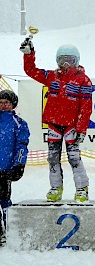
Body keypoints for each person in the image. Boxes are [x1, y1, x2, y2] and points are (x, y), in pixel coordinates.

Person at [20, 39, 92, 202]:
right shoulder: (51, 76)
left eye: (70, 60)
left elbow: (86, 107)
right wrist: (28, 54)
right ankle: (55, 187)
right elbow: (30, 70)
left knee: (74, 157)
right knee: (53, 157)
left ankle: (82, 189)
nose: (65, 64)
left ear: (77, 61)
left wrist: (81, 129)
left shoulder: (83, 80)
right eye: (62, 60)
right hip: (53, 123)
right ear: (57, 61)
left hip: (71, 126)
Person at [0, 90, 30, 245]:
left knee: (5, 201)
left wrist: (19, 164)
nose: (3, 105)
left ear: (12, 105)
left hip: (4, 170)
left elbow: (21, 146)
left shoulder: (19, 123)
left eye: (6, 103)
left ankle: (11, 232)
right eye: (0, 102)